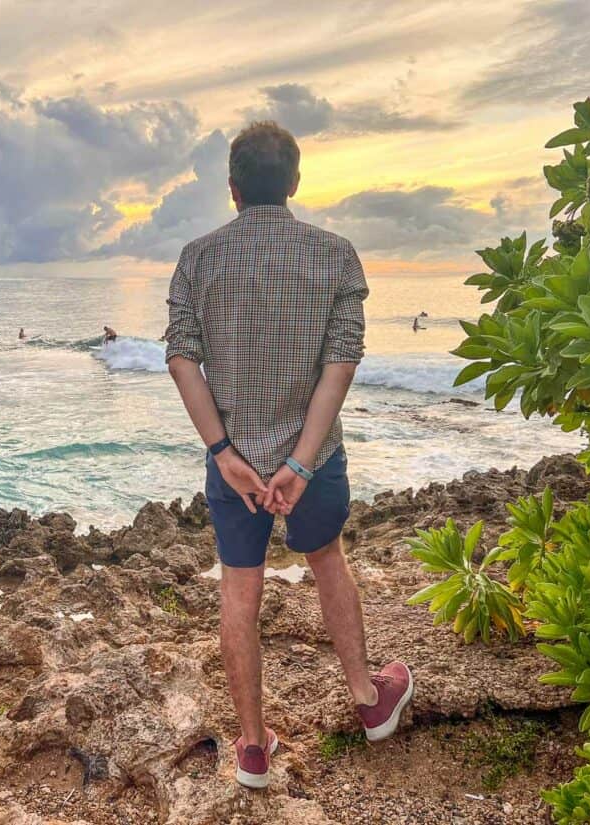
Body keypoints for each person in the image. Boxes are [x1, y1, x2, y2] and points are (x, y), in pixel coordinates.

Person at [164, 121, 413, 790]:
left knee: (239, 586)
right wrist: (301, 464)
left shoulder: (198, 258)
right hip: (315, 458)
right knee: (328, 560)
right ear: (296, 182)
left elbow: (181, 358)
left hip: (237, 459)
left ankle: (251, 747)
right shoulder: (336, 256)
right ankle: (369, 699)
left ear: (233, 189)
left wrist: (223, 452)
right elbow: (342, 363)